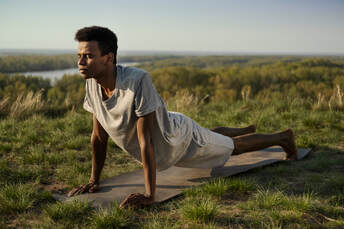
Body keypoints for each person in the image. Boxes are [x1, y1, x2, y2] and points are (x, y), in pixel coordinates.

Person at [67, 26, 298, 208]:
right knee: (208, 136)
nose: (80, 62)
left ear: (108, 58)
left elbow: (145, 139)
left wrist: (150, 194)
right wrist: (93, 180)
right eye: (79, 55)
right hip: (171, 126)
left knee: (232, 148)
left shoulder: (137, 80)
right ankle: (242, 128)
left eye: (87, 56)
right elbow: (98, 137)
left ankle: (284, 138)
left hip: (179, 139)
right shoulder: (92, 84)